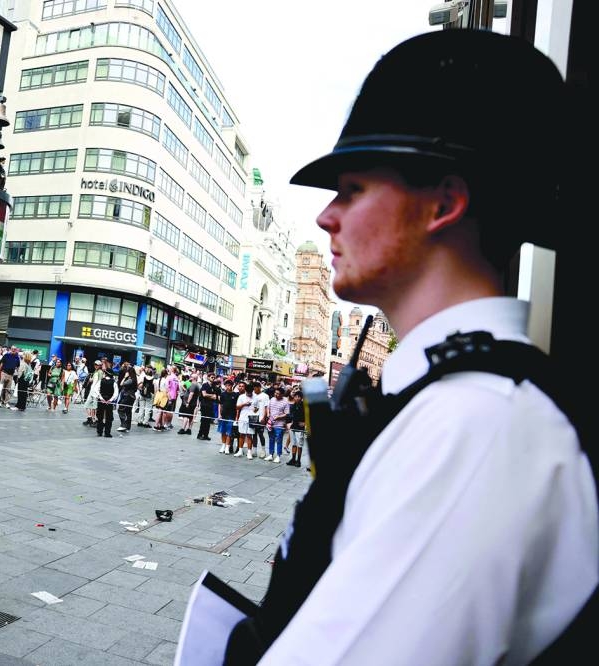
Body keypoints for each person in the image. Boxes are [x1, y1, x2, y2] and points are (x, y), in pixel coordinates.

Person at [221, 30, 596, 665]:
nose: (325, 217)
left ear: (444, 203)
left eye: (352, 188)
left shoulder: (475, 426)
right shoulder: (453, 403)